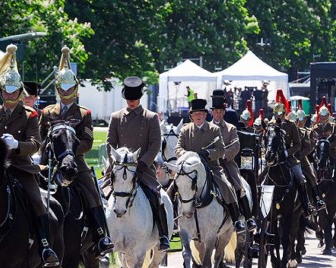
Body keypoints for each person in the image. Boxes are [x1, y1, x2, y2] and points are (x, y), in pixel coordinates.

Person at [0, 43, 59, 268]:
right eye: (6, 91)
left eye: (14, 92)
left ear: (20, 93)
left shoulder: (30, 115)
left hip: (20, 168)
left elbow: (36, 144)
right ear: (1, 91)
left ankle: (45, 245)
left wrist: (17, 145)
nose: (10, 95)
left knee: (36, 201)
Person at [40, 46, 113, 256]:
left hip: (75, 162)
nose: (65, 93)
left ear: (76, 88)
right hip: (51, 162)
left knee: (93, 192)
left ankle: (101, 235)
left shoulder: (84, 114)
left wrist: (70, 152)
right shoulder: (47, 113)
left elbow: (88, 141)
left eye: (69, 88)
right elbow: (41, 138)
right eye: (61, 89)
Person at [103, 76, 170, 251]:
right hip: (118, 168)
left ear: (139, 98)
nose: (131, 103)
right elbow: (110, 143)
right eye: (128, 100)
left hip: (142, 168)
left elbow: (155, 143)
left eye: (134, 100)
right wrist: (115, 163)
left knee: (157, 196)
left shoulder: (151, 117)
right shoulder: (116, 117)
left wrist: (143, 163)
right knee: (101, 195)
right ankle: (100, 236)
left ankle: (163, 235)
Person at [174, 98, 246, 233]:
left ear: (206, 115)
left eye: (201, 114)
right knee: (173, 186)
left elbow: (221, 150)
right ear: (191, 116)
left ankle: (236, 219)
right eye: (195, 114)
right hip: (190, 168)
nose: (198, 116)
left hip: (212, 167)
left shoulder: (214, 129)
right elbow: (178, 149)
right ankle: (171, 219)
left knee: (226, 186)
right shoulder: (185, 130)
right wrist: (190, 155)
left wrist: (208, 153)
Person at [211, 89, 257, 232]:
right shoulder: (206, 127)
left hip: (226, 163)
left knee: (237, 184)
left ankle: (247, 218)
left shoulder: (231, 128)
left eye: (220, 111)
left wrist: (222, 155)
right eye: (216, 111)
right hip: (210, 164)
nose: (218, 113)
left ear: (224, 112)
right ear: (212, 112)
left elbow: (236, 145)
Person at [272, 90, 317, 216]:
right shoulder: (270, 126)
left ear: (284, 113)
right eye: (276, 113)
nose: (278, 116)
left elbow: (298, 145)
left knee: (301, 178)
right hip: (274, 159)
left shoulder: (291, 126)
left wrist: (287, 152)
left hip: (289, 157)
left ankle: (306, 204)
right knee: (261, 177)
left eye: (280, 113)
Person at [312, 105, 336, 189]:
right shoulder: (315, 127)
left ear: (328, 115)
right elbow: (312, 140)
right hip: (318, 153)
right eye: (321, 115)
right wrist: (318, 145)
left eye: (325, 115)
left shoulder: (333, 127)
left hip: (331, 153)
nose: (323, 117)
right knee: (309, 170)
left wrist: (327, 146)